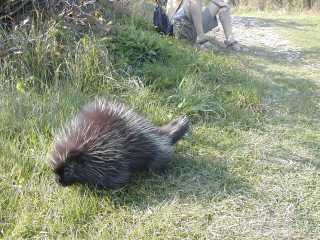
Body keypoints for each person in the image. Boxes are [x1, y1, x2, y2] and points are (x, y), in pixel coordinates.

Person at [166, 0, 239, 50]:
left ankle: (230, 40)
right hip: (179, 27)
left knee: (222, 4)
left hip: (193, 27)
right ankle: (201, 39)